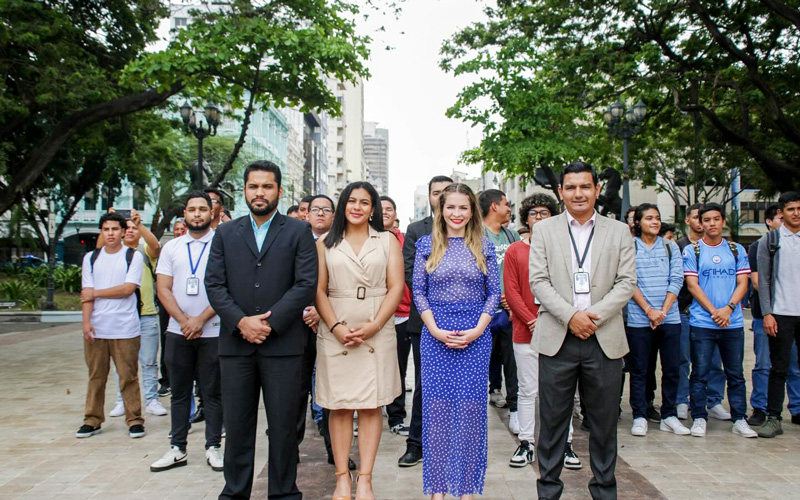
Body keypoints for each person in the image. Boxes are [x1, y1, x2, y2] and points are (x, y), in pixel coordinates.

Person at [206, 161, 318, 500]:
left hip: (283, 346)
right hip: (236, 345)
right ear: (244, 190)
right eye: (253, 186)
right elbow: (215, 283)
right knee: (238, 425)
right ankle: (235, 491)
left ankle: (283, 492)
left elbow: (305, 284)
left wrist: (268, 324)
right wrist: (241, 321)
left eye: (267, 186)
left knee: (283, 427)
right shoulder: (226, 232)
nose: (259, 192)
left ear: (279, 191)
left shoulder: (298, 231)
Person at [530, 162, 636, 500]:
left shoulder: (618, 231)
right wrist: (571, 316)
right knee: (552, 424)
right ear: (561, 192)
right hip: (557, 338)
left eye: (585, 187)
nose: (579, 193)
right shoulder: (544, 230)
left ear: (596, 190)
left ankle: (604, 491)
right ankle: (548, 491)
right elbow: (539, 281)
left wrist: (592, 316)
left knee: (604, 425)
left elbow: (626, 283)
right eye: (571, 187)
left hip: (603, 338)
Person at [314, 181, 404, 500]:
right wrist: (337, 327)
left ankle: (365, 478)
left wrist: (375, 324)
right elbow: (319, 290)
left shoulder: (387, 241)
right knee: (338, 406)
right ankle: (342, 478)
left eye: (364, 202)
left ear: (373, 209)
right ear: (342, 206)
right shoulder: (325, 242)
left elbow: (396, 287)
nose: (357, 207)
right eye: (351, 201)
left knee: (370, 405)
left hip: (376, 326)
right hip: (336, 326)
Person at [412, 182, 500, 499]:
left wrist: (478, 330)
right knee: (437, 414)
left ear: (472, 211)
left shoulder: (484, 246)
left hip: (476, 335)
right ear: (441, 208)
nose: (457, 213)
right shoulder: (426, 245)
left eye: (464, 207)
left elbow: (494, 295)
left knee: (471, 413)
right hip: (435, 335)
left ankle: (466, 489)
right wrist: (434, 329)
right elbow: (419, 292)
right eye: (451, 207)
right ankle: (437, 489)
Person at [504, 193, 581, 469]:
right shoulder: (515, 250)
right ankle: (526, 443)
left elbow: (570, 289)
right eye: (534, 213)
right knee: (527, 390)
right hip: (526, 331)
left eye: (545, 213)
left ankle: (566, 443)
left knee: (563, 391)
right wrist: (530, 320)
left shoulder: (564, 249)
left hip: (560, 329)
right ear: (525, 218)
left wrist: (552, 320)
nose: (539, 217)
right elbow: (511, 291)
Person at [150, 191, 224, 472]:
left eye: (202, 209)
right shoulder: (172, 247)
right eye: (192, 209)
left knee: (212, 393)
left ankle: (213, 447)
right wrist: (183, 320)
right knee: (180, 393)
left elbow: (225, 288)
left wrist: (200, 319)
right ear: (185, 213)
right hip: (177, 331)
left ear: (212, 212)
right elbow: (163, 288)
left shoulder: (222, 244)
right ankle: (177, 447)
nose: (196, 214)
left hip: (213, 330)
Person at [683, 203, 757, 438]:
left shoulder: (736, 250)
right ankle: (699, 418)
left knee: (735, 373)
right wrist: (715, 311)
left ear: (723, 222)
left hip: (732, 323)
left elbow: (743, 283)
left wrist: (729, 308)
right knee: (700, 373)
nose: (712, 223)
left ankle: (739, 418)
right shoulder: (693, 251)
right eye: (707, 220)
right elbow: (693, 286)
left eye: (716, 219)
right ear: (700, 223)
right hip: (702, 322)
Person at [398, 175, 453, 468]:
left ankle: (451, 445)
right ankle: (416, 444)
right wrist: (439, 302)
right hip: (424, 320)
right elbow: (409, 273)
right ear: (430, 197)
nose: (442, 196)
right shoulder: (416, 230)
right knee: (424, 384)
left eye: (447, 191)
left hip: (464, 322)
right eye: (436, 192)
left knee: (459, 386)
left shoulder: (470, 231)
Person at [77, 212, 146, 439]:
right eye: (106, 230)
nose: (110, 234)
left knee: (128, 375)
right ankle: (92, 419)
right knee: (96, 376)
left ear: (123, 231)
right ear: (101, 232)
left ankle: (134, 419)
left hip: (125, 326)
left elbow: (128, 289)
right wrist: (86, 322)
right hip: (98, 327)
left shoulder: (132, 257)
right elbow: (85, 295)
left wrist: (96, 293)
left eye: (115, 229)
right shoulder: (91, 258)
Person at [626, 204, 689, 437]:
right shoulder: (629, 248)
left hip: (669, 318)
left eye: (657, 218)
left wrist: (662, 311)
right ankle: (639, 415)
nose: (655, 222)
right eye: (649, 218)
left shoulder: (671, 247)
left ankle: (669, 414)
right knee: (640, 369)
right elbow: (628, 282)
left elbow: (677, 280)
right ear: (638, 222)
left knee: (672, 368)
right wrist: (649, 311)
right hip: (639, 319)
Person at [102, 210, 166, 419]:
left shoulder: (143, 252)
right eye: (126, 228)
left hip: (146, 314)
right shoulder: (112, 253)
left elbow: (156, 246)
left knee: (148, 360)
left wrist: (139, 225)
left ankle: (151, 398)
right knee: (122, 362)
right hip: (121, 315)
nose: (130, 232)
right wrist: (111, 219)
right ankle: (122, 400)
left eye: (133, 229)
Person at [747, 205, 800, 426]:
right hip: (781, 313)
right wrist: (768, 313)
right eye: (791, 209)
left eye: (799, 208)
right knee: (778, 368)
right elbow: (764, 281)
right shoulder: (770, 241)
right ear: (781, 213)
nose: (796, 213)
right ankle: (773, 416)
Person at [675, 204, 728, 421]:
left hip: (715, 315)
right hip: (685, 311)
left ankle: (713, 400)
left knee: (714, 361)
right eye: (698, 218)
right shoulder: (679, 247)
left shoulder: (726, 249)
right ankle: (681, 399)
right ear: (689, 220)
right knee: (682, 359)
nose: (703, 222)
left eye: (709, 218)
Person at [480, 189, 520, 432]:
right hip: (484, 312)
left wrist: (511, 299)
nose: (509, 209)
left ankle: (515, 408)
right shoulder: (475, 235)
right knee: (482, 362)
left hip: (511, 312)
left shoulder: (512, 235)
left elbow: (519, 270)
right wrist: (496, 295)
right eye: (506, 204)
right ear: (494, 206)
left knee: (513, 362)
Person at [381, 195, 413, 436]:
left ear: (395, 214)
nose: (384, 213)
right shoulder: (363, 240)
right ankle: (367, 413)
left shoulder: (405, 241)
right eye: (379, 209)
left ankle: (396, 416)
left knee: (398, 368)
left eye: (389, 209)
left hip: (402, 315)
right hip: (372, 316)